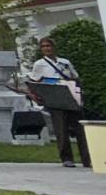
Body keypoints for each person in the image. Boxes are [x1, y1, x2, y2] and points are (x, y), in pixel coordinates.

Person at [27, 37, 92, 168]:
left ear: (53, 47)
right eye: (43, 46)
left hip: (70, 96)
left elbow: (75, 77)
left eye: (48, 46)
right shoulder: (39, 64)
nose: (46, 48)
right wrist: (35, 96)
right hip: (55, 99)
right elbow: (34, 82)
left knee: (80, 129)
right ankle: (67, 158)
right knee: (61, 129)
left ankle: (87, 158)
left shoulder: (65, 62)